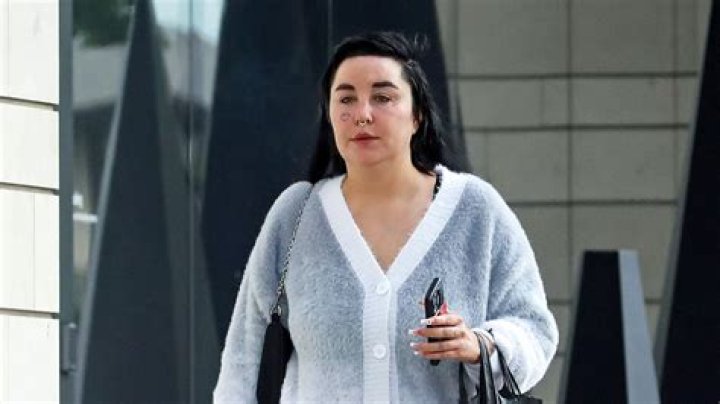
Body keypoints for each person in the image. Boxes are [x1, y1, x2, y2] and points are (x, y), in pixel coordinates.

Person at [214, 31, 558, 403]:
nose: (362, 115)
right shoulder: (295, 214)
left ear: (417, 115)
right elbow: (242, 361)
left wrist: (481, 346)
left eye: (383, 97)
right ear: (329, 115)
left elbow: (535, 331)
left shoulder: (476, 209)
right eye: (346, 98)